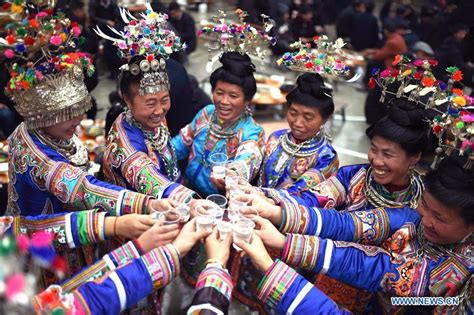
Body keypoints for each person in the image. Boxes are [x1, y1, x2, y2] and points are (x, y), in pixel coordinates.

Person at [2, 7, 168, 286]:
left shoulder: (52, 134)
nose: (77, 121)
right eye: (65, 115)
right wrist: (143, 203)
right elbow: (80, 188)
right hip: (45, 247)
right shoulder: (35, 154)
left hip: (76, 233)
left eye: (79, 109)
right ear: (41, 116)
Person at [241, 98, 430, 312]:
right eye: (374, 149)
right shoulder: (353, 176)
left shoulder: (424, 206)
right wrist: (265, 196)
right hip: (329, 270)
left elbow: (351, 227)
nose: (376, 160)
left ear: (414, 157)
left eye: (387, 154)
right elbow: (314, 198)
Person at [238, 154, 473, 314]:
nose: (427, 219)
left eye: (440, 218)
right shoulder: (407, 217)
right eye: (425, 206)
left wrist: (277, 251)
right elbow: (349, 225)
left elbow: (377, 270)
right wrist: (277, 217)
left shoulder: (457, 271)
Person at [99, 9, 196, 204]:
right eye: (150, 103)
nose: (159, 110)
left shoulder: (150, 119)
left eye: (164, 100)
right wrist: (190, 201)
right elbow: (147, 176)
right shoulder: (126, 145)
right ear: (126, 99)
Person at [171, 52, 265, 197]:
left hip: (221, 200)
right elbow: (183, 141)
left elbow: (248, 160)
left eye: (233, 96)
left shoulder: (252, 131)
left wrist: (231, 175)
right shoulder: (206, 113)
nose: (224, 101)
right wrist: (161, 154)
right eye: (219, 92)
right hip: (188, 189)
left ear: (247, 100)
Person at [258, 73, 338, 190]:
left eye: (308, 117)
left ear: (324, 119)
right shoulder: (276, 137)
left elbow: (300, 193)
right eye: (293, 113)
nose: (298, 123)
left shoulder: (326, 157)